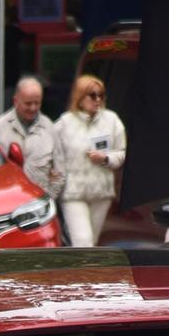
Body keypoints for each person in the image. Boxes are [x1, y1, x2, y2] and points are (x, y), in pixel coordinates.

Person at [55, 75, 127, 248]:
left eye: (101, 95)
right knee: (83, 241)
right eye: (92, 95)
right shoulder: (64, 123)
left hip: (101, 191)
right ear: (80, 99)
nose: (98, 100)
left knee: (92, 242)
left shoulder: (112, 120)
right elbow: (51, 152)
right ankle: (81, 274)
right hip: (73, 192)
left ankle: (83, 273)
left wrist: (105, 158)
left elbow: (122, 153)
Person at [0, 76, 63, 201]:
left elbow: (60, 171)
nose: (33, 108)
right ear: (15, 101)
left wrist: (48, 199)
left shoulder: (49, 127)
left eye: (37, 103)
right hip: (7, 201)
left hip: (40, 203)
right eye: (28, 103)